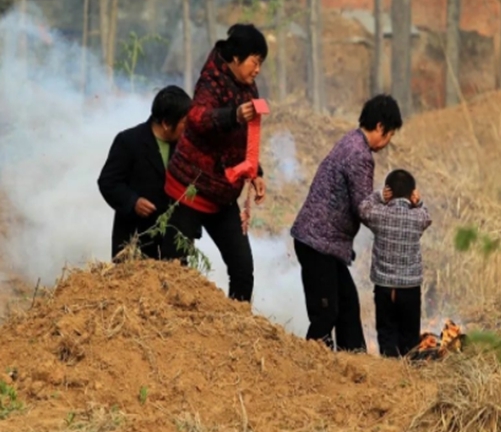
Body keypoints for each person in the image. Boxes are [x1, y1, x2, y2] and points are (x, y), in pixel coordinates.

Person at [162, 23, 267, 303]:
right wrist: (232, 115)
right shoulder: (211, 80)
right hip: (189, 188)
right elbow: (197, 118)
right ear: (236, 58)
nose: (257, 70)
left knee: (243, 268)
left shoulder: (249, 88)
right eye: (255, 62)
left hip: (223, 192)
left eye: (261, 64)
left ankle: (238, 325)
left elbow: (248, 137)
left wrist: (255, 171)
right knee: (176, 268)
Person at [290, 94, 403, 352]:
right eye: (390, 135)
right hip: (318, 244)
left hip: (324, 244)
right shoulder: (360, 155)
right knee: (325, 314)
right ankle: (308, 368)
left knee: (348, 308)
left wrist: (377, 200)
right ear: (380, 128)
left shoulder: (351, 141)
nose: (388, 142)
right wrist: (394, 227)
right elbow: (363, 208)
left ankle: (355, 365)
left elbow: (357, 197)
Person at [98, 85, 193, 261]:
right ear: (166, 123)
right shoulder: (129, 141)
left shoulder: (186, 147)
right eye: (184, 123)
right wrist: (132, 201)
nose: (188, 129)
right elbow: (108, 182)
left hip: (173, 245)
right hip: (135, 241)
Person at [358, 169, 432, 358]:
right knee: (409, 334)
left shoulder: (379, 214)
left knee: (386, 332)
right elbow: (427, 216)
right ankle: (407, 371)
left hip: (383, 286)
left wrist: (378, 196)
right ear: (412, 193)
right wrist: (419, 203)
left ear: (388, 192)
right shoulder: (417, 216)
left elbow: (362, 209)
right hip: (409, 287)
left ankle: (389, 370)